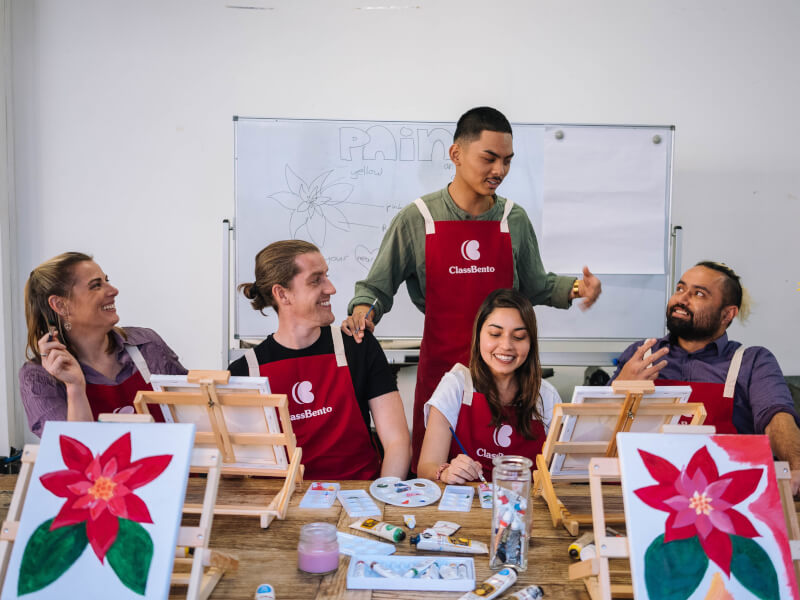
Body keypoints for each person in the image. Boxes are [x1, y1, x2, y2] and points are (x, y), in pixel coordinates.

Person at [342, 106, 601, 469]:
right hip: (442, 373)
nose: (500, 171)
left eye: (508, 161)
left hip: (505, 378)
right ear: (456, 154)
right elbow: (376, 289)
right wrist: (362, 314)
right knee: (436, 473)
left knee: (501, 471)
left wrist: (577, 288)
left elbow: (537, 286)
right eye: (490, 158)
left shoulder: (514, 219)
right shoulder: (419, 218)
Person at [228, 240, 411, 480]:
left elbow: (398, 443)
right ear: (282, 294)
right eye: (316, 280)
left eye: (327, 276)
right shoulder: (244, 372)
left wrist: (382, 498)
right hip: (286, 505)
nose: (331, 288)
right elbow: (238, 467)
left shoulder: (357, 345)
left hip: (359, 499)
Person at [612, 261, 800, 494]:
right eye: (680, 289)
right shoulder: (641, 354)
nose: (682, 299)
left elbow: (777, 419)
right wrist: (620, 387)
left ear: (727, 314)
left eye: (698, 294)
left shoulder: (753, 361)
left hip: (727, 497)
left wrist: (797, 466)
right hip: (642, 491)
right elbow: (601, 429)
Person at [19, 252, 186, 437]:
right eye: (96, 286)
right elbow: (74, 453)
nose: (113, 290)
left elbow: (197, 412)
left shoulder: (147, 345)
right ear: (60, 305)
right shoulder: (40, 377)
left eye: (106, 281)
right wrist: (75, 387)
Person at [417, 289, 560, 483]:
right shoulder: (456, 386)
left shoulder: (547, 396)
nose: (506, 345)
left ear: (531, 343)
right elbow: (426, 467)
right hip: (467, 508)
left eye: (518, 337)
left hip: (526, 508)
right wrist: (445, 472)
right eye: (495, 333)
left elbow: (561, 475)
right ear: (479, 335)